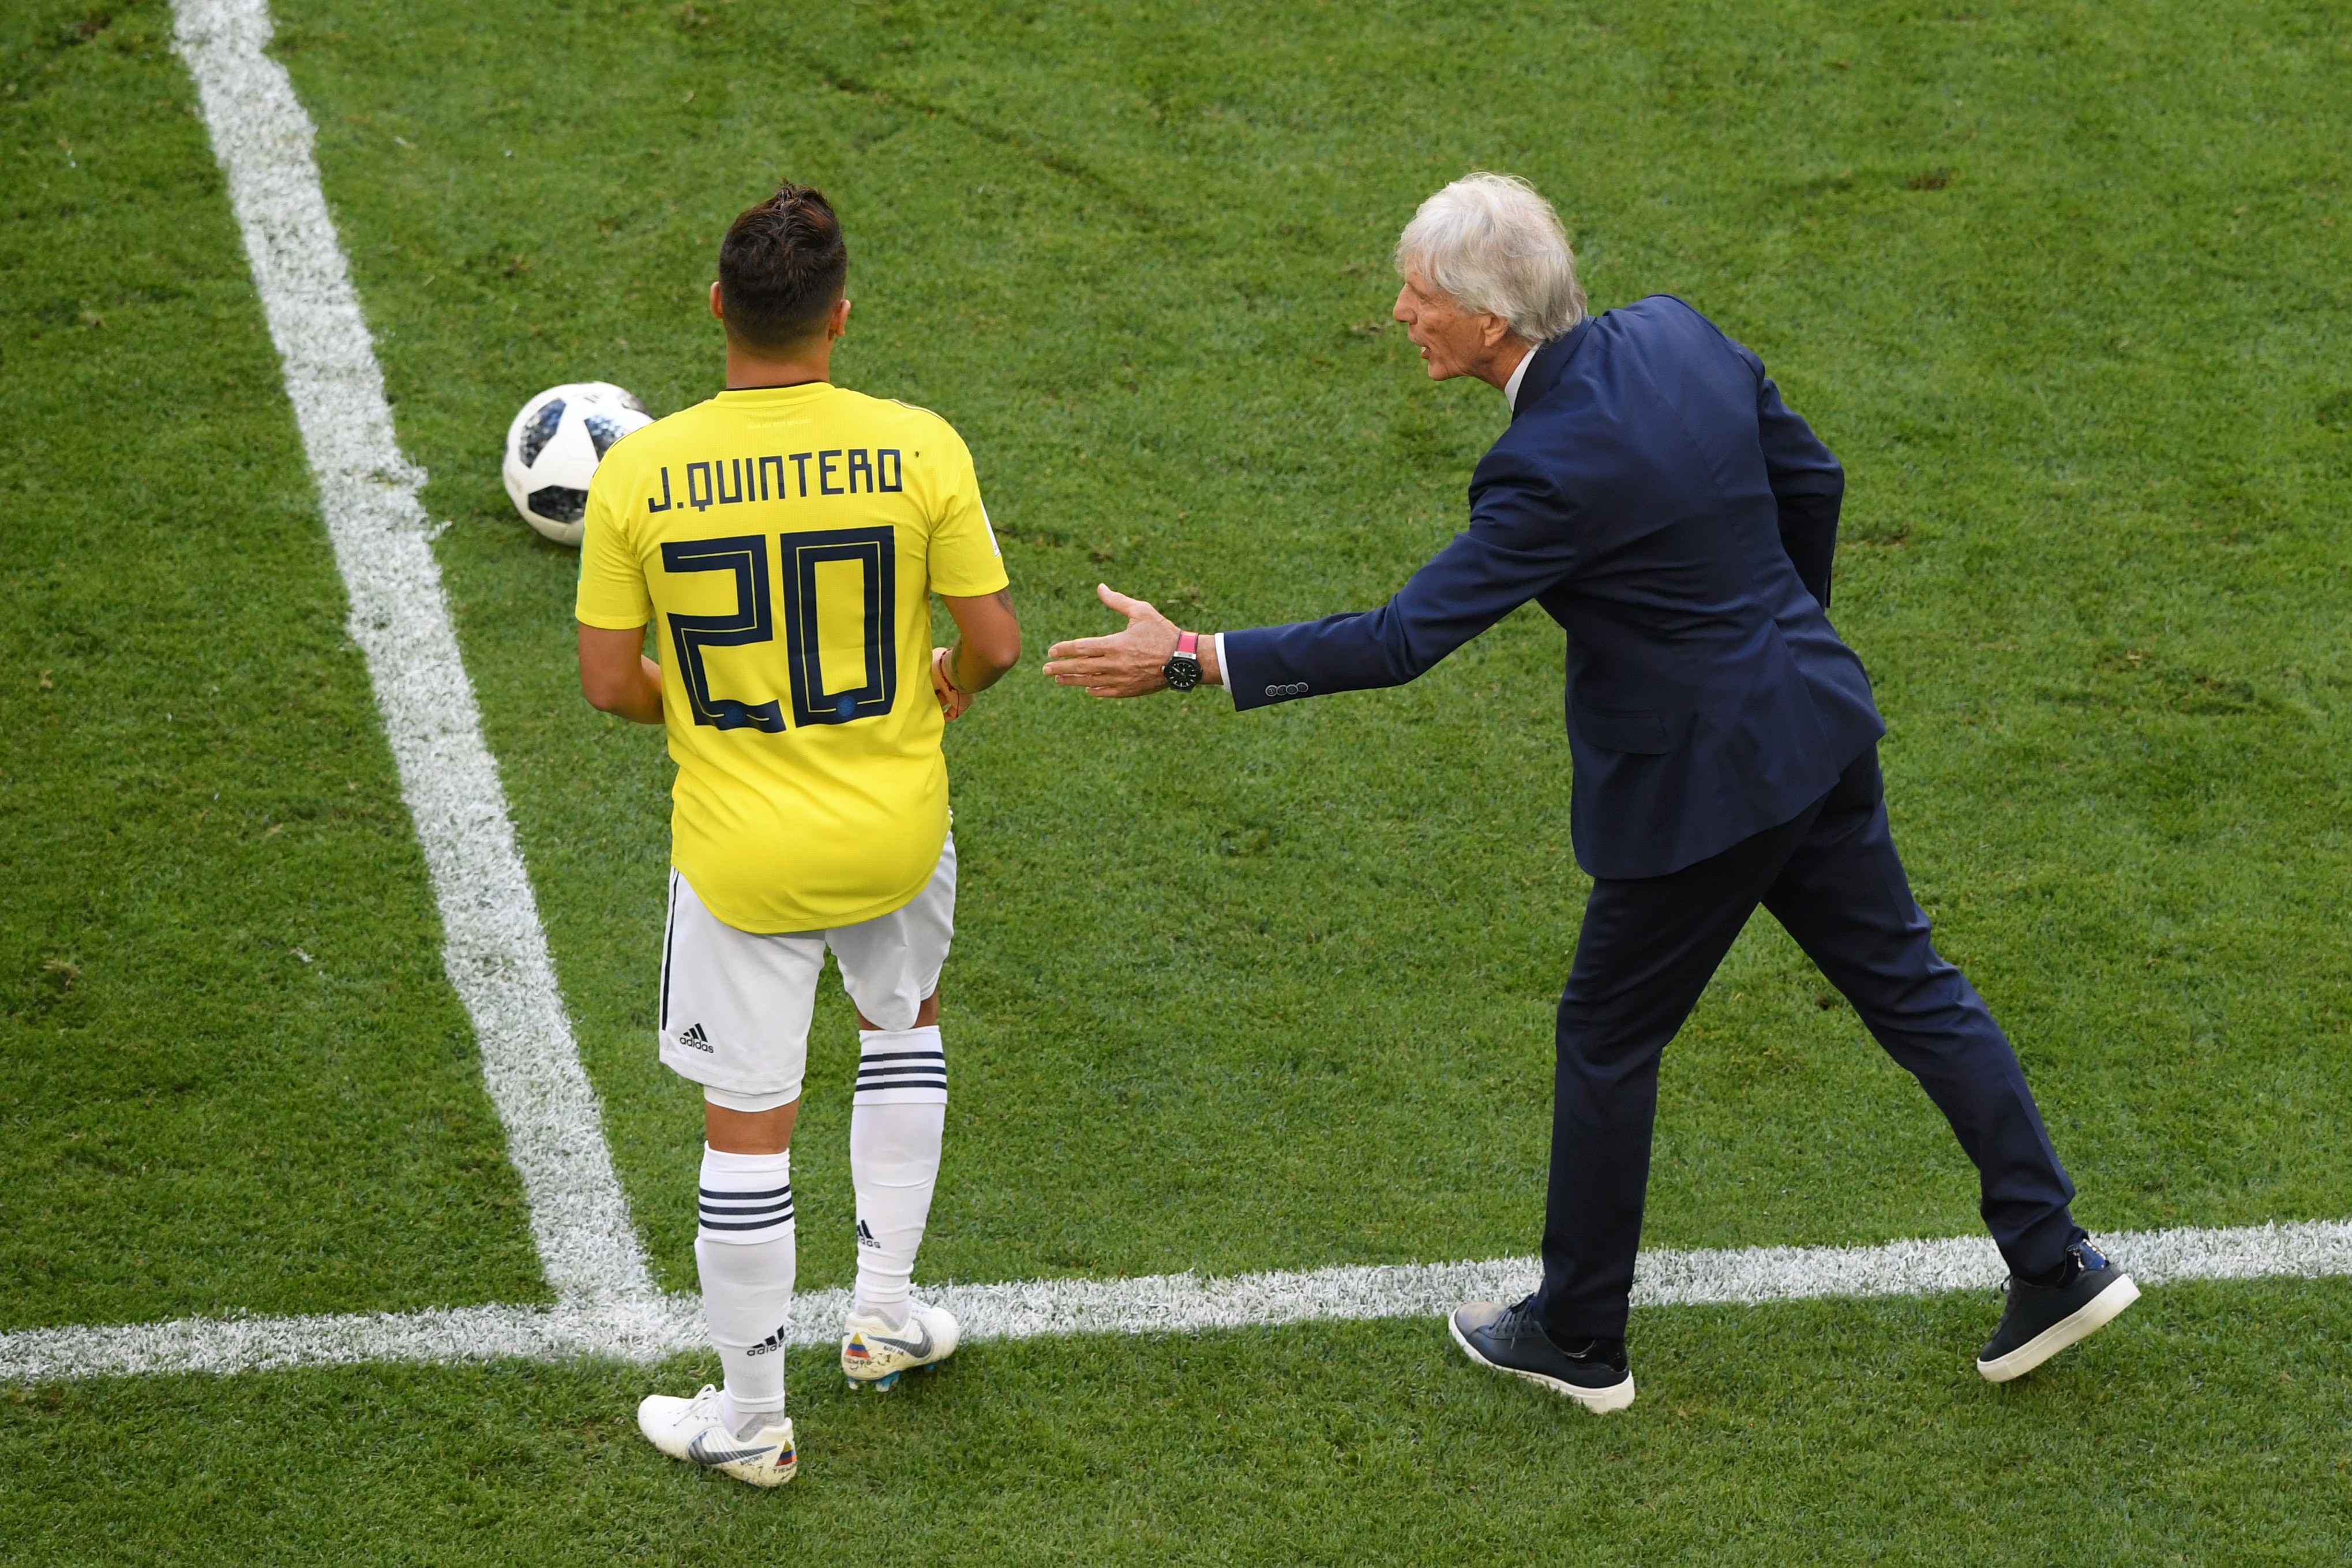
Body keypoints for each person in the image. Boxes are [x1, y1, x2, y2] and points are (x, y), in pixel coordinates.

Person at [1042, 172, 2135, 1413]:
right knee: (1912, 988)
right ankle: (2054, 1261)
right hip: (1816, 725)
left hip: (1701, 791)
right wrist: (1768, 643)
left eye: (1419, 294)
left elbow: (1403, 639)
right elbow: (1812, 482)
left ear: (1491, 323)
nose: (1400, 312)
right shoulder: (1677, 332)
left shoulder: (1545, 467)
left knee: (1606, 1037)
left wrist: (1191, 658)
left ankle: (1574, 1333)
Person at [576, 182, 1021, 1484]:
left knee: (745, 1124)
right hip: (894, 829)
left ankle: (751, 1420)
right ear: (840, 320)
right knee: (904, 1025)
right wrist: (950, 682)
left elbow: (611, 682)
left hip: (741, 858)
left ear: (719, 307)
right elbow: (994, 642)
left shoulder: (638, 470)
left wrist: (703, 714)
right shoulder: (919, 445)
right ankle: (883, 1319)